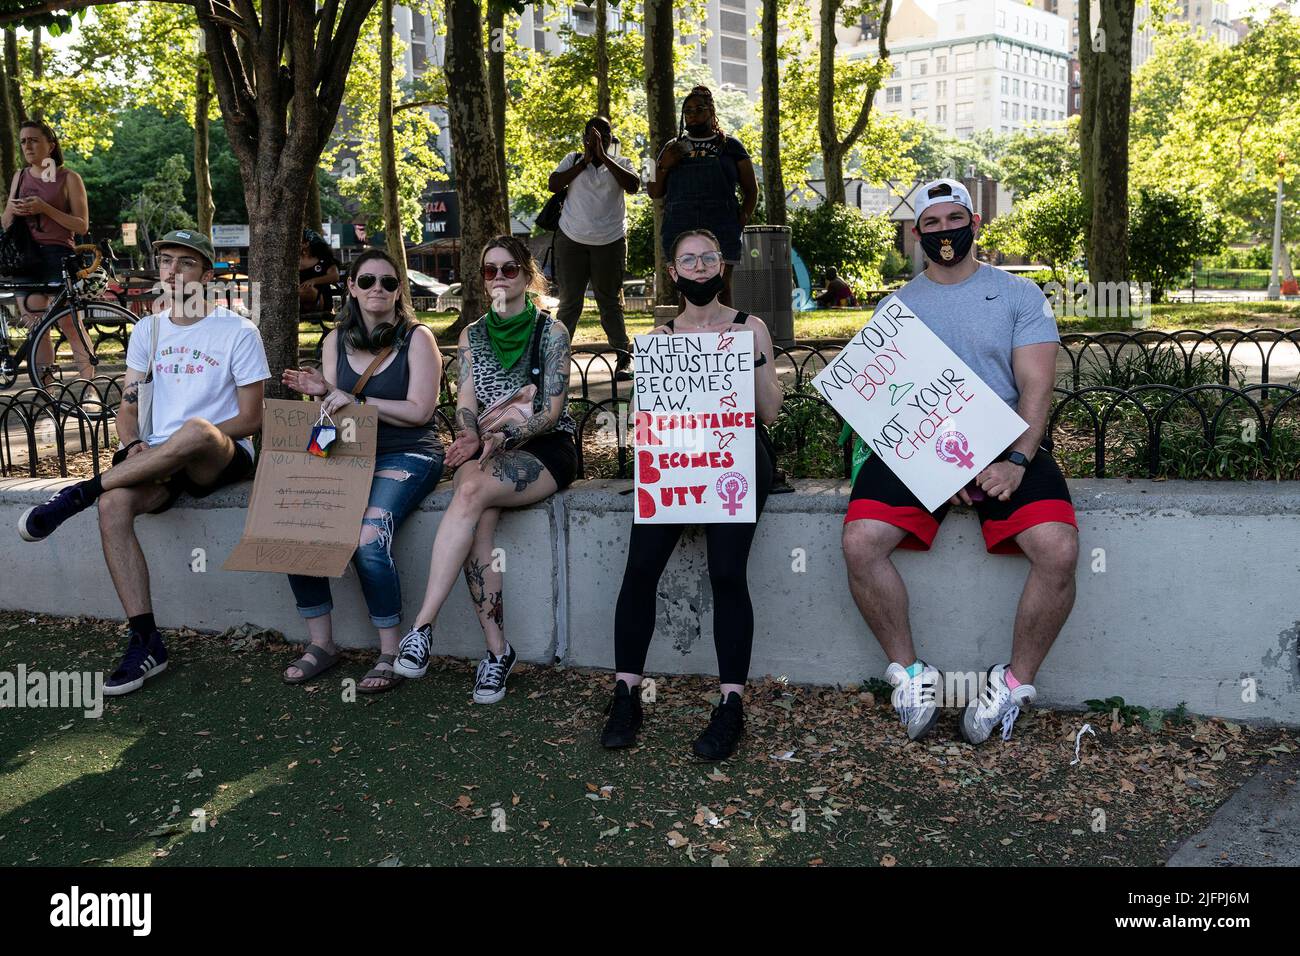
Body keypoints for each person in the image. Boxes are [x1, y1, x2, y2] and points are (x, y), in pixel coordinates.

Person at [839, 179, 1078, 745]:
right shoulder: (895, 307)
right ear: (916, 233)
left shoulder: (1021, 295)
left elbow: (1036, 387)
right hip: (921, 446)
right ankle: (911, 674)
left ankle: (1012, 683)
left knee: (1059, 548)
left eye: (955, 220)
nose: (945, 231)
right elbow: (885, 398)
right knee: (859, 542)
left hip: (1004, 443)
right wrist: (932, 467)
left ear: (975, 223)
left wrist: (1019, 459)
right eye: (932, 223)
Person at [17, 229, 269, 697]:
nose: (172, 271)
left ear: (206, 275)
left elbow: (251, 418)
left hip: (218, 455)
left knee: (194, 429)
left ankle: (78, 493)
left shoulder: (237, 330)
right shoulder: (148, 330)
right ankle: (146, 639)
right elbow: (129, 408)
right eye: (166, 261)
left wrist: (186, 441)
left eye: (185, 263)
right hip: (158, 459)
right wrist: (132, 445)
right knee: (114, 507)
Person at [600, 229, 783, 761]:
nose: (700, 267)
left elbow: (768, 413)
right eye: (689, 260)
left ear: (721, 267)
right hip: (678, 461)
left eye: (709, 257)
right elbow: (650, 421)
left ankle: (731, 705)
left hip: (737, 458)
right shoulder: (660, 336)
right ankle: (626, 693)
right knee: (640, 570)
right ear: (674, 272)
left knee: (726, 572)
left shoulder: (752, 327)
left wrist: (748, 360)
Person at [394, 235, 577, 704]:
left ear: (527, 274)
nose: (498, 278)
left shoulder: (550, 332)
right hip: (489, 451)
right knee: (477, 512)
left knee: (471, 492)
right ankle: (497, 653)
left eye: (508, 269)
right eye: (489, 270)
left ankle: (421, 628)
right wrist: (470, 434)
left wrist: (502, 438)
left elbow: (552, 413)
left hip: (545, 448)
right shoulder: (471, 334)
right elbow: (468, 403)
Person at [279, 249, 444, 693]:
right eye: (367, 281)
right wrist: (321, 394)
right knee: (296, 527)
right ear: (350, 286)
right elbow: (333, 411)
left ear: (398, 291)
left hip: (408, 453)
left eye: (389, 283)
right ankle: (323, 644)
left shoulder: (418, 338)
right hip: (349, 452)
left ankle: (390, 651)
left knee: (368, 540)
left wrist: (356, 401)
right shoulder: (335, 341)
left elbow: (420, 410)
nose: (378, 290)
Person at [1, 119, 95, 382]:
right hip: (24, 258)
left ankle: (89, 388)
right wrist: (14, 210)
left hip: (59, 255)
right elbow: (6, 223)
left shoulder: (69, 178)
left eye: (33, 140)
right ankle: (47, 392)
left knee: (69, 324)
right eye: (22, 141)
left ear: (50, 145)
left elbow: (82, 224)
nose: (27, 145)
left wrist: (46, 208)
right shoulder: (19, 177)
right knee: (36, 325)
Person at [547, 116, 639, 382]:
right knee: (569, 303)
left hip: (609, 242)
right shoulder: (572, 160)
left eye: (605, 134)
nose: (599, 138)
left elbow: (633, 186)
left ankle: (623, 358)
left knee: (609, 302)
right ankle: (556, 358)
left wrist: (604, 157)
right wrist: (586, 161)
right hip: (572, 240)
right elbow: (554, 185)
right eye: (593, 135)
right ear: (584, 138)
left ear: (611, 138)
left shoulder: (621, 163)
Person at [648, 86, 758, 308]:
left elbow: (752, 189)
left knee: (722, 287)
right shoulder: (670, 146)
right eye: (687, 110)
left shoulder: (731, 145)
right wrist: (663, 166)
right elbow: (653, 191)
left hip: (722, 225)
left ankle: (727, 340)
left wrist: (742, 218)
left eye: (699, 109)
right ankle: (686, 340)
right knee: (687, 292)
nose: (693, 114)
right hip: (680, 224)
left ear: (711, 111)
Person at [299, 230, 341, 312]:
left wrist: (313, 281)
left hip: (319, 296)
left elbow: (335, 276)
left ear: (306, 244)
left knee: (308, 291)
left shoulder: (324, 259)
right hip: (299, 296)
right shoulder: (291, 261)